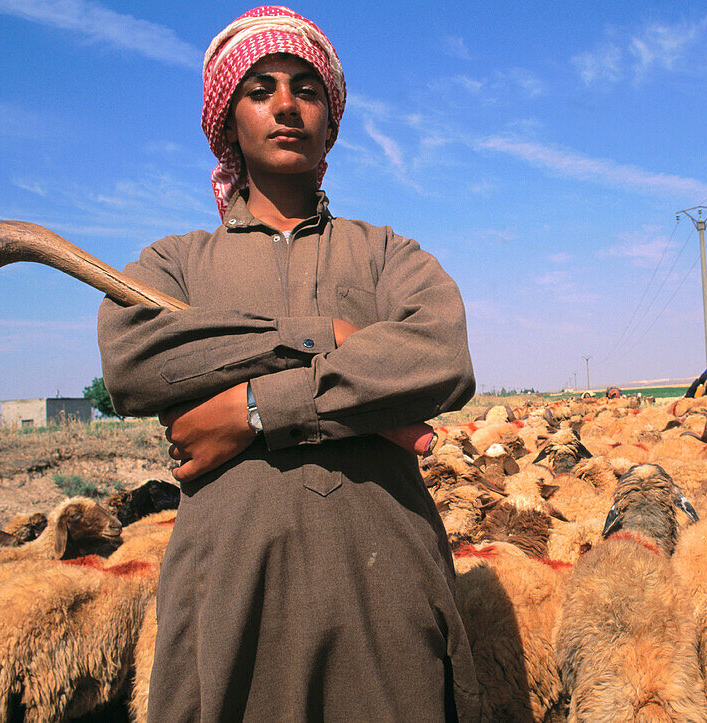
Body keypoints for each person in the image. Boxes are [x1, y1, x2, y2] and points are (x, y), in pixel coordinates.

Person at [97, 7, 479, 720]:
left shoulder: (384, 251)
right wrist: (323, 337)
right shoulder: (174, 263)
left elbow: (441, 355)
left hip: (385, 592)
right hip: (231, 594)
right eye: (260, 88)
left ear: (329, 121)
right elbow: (134, 361)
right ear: (227, 122)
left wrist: (251, 409)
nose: (285, 105)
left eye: (306, 89)